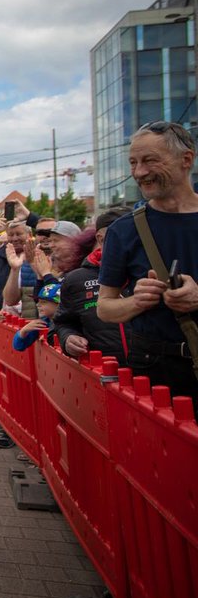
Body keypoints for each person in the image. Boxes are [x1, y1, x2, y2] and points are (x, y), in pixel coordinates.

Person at [98, 121, 198, 396]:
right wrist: (137, 301)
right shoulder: (124, 230)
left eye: (149, 161)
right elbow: (104, 308)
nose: (139, 172)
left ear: (186, 159)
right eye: (133, 163)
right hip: (155, 368)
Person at [55, 208, 132, 366]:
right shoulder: (77, 279)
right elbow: (64, 322)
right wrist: (68, 338)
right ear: (100, 238)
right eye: (116, 237)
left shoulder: (150, 270)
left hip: (156, 376)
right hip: (104, 375)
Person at [12, 283, 61, 351]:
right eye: (38, 301)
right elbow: (18, 346)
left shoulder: (70, 323)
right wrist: (23, 331)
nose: (38, 305)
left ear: (59, 304)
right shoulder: (42, 323)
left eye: (43, 302)